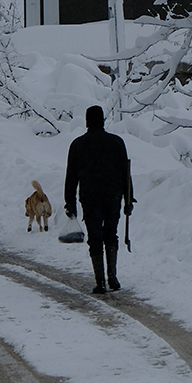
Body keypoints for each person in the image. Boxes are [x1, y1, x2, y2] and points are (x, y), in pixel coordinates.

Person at [64, 105, 133, 294]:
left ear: (87, 121)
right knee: (111, 233)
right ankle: (113, 277)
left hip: (90, 196)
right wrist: (128, 199)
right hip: (113, 195)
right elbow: (126, 173)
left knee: (95, 237)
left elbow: (71, 176)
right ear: (103, 120)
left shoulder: (78, 145)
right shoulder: (116, 142)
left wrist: (69, 201)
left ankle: (100, 281)